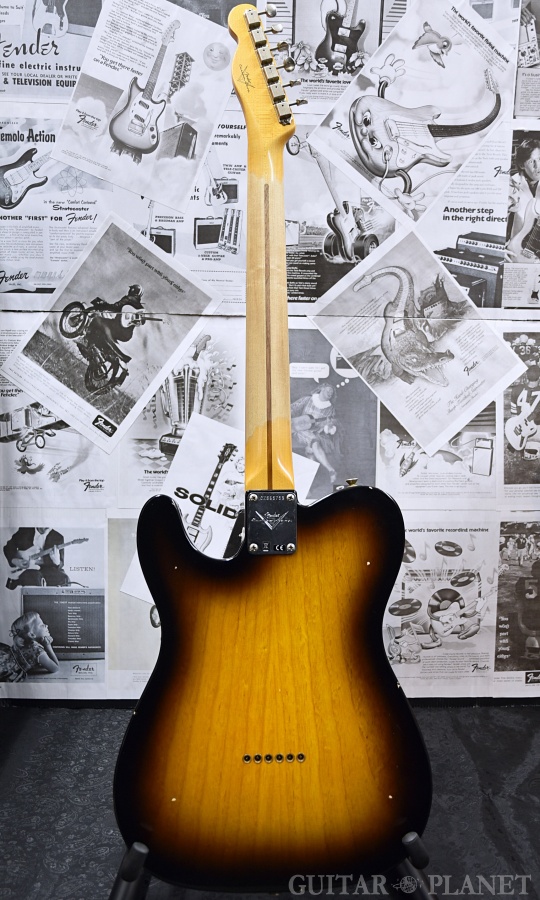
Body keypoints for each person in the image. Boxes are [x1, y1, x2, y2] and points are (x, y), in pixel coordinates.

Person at [291, 383, 341, 484]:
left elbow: (328, 425)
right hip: (295, 430)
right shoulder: (308, 399)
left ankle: (329, 471)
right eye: (328, 390)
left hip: (312, 433)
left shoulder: (330, 409)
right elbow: (292, 408)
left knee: (313, 445)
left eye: (332, 392)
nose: (330, 393)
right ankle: (307, 482)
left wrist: (328, 427)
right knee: (312, 448)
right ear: (321, 389)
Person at [3, 527, 70, 590]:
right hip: (28, 570)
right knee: (34, 577)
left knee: (64, 579)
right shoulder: (24, 531)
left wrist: (57, 561)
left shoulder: (58, 537)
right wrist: (15, 561)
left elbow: (61, 563)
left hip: (48, 570)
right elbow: (8, 547)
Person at [0, 612, 59, 682]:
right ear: (31, 634)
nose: (46, 625)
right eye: (42, 625)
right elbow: (55, 668)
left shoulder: (24, 643)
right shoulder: (37, 651)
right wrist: (48, 645)